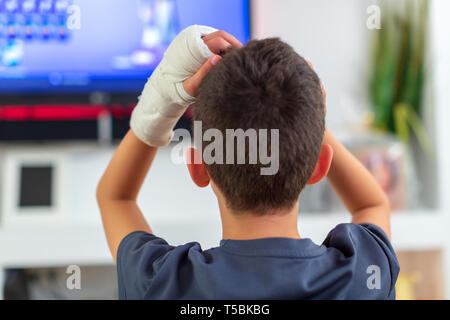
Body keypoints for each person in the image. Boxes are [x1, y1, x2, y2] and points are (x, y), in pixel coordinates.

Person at [96, 25, 399, 299]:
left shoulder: (160, 283)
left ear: (198, 166)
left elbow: (115, 197)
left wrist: (163, 99)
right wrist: (311, 116)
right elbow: (371, 204)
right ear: (319, 165)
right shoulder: (362, 279)